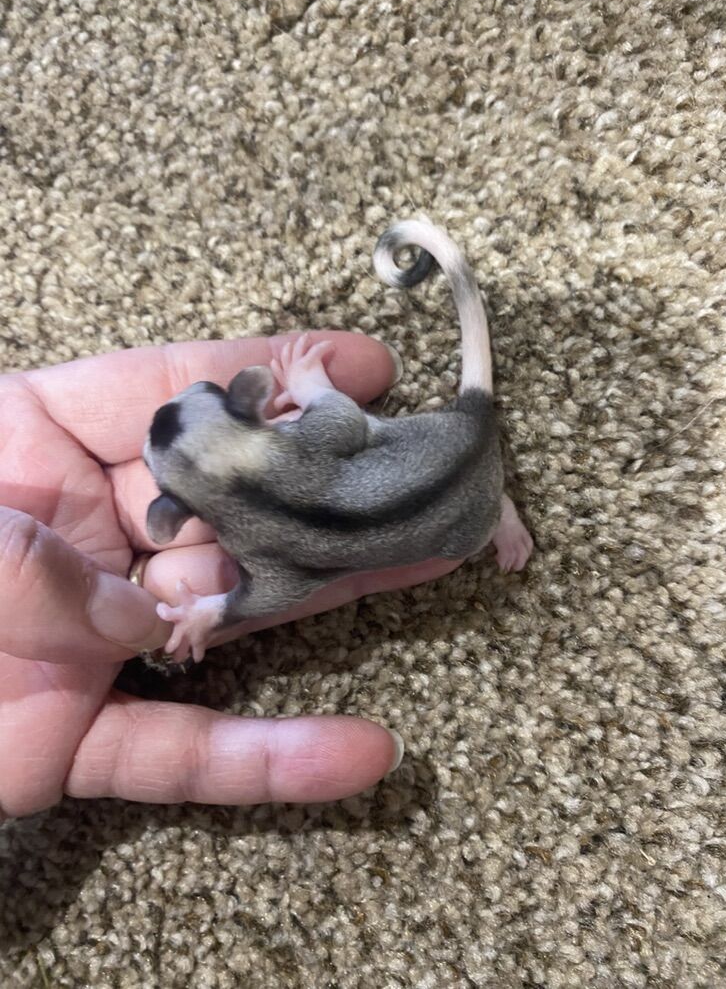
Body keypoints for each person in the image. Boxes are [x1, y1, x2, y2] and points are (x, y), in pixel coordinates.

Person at [0, 332, 458, 820]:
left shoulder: (254, 540)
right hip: (439, 456)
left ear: (173, 514)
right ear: (250, 403)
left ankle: (489, 512)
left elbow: (279, 588)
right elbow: (342, 421)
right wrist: (311, 387)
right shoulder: (300, 451)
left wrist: (214, 611)